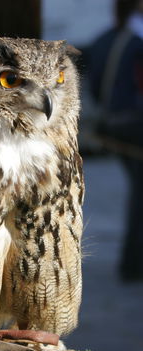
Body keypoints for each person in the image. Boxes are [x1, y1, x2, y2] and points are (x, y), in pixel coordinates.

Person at [89, 0, 143, 281]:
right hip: (136, 126)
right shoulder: (136, 42)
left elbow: (96, 88)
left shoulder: (103, 40)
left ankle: (132, 262)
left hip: (114, 125)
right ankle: (133, 263)